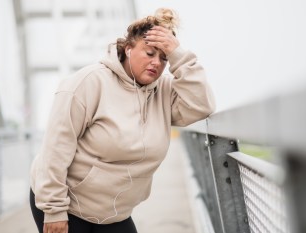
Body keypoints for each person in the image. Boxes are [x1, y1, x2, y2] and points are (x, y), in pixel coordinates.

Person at [29, 7, 216, 233]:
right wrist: (54, 209)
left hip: (114, 214)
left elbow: (202, 105)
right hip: (68, 206)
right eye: (149, 53)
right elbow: (55, 149)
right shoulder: (88, 83)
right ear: (128, 49)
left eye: (164, 57)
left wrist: (179, 55)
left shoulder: (164, 92)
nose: (156, 63)